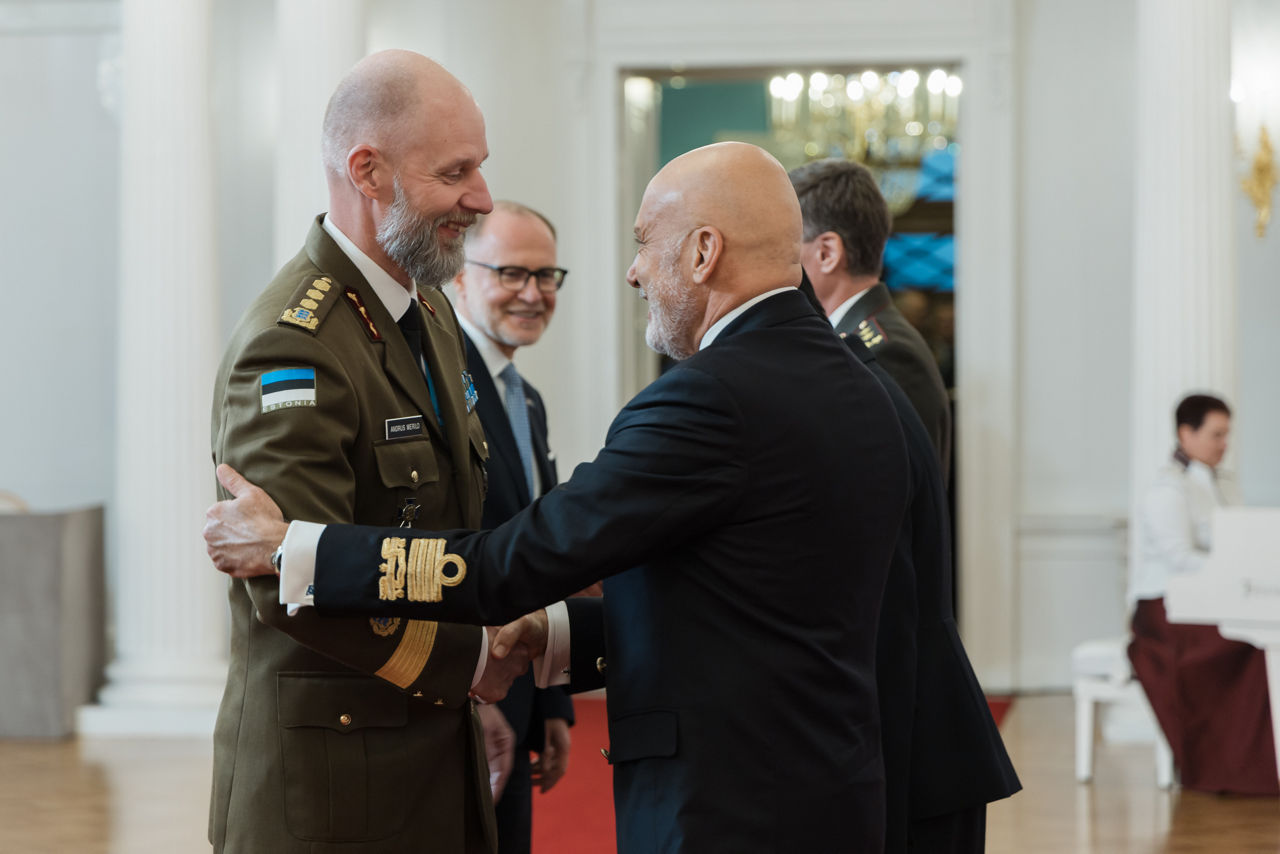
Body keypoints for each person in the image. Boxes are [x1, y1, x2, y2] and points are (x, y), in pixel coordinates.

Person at [205, 141, 911, 853]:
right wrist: (552, 640)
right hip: (830, 791)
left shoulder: (710, 399)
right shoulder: (861, 386)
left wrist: (296, 548)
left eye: (644, 244)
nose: (635, 272)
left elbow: (508, 564)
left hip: (729, 809)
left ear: (703, 252)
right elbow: (743, 611)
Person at [207, 50, 530, 854]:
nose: (481, 199)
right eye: (455, 172)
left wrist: (471, 696)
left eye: (480, 169)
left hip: (427, 749)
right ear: (368, 171)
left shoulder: (429, 311)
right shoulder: (296, 345)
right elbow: (290, 581)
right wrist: (468, 661)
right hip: (328, 791)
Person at [797, 275, 1020, 852]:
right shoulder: (852, 348)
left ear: (826, 252)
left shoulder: (879, 351)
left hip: (906, 699)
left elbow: (889, 541)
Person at [452, 201, 575, 852]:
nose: (533, 293)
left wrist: (554, 703)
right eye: (511, 273)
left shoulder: (525, 398)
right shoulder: (436, 387)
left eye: (546, 275)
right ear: (459, 276)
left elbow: (541, 559)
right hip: (466, 702)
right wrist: (477, 694)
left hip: (522, 700)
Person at [1128, 393, 1279, 795]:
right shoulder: (1167, 489)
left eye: (1226, 434)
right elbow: (1179, 558)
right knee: (1249, 645)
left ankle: (1259, 762)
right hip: (1166, 611)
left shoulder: (1223, 483)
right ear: (1186, 433)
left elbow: (1241, 541)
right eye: (1216, 434)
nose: (1223, 443)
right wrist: (1233, 573)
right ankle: (1236, 768)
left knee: (1265, 638)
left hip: (1213, 600)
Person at [789, 158, 952, 475]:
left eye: (790, 248)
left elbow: (892, 495)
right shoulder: (854, 338)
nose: (783, 264)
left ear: (827, 253)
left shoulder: (886, 352)